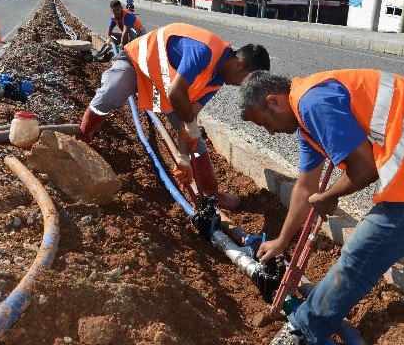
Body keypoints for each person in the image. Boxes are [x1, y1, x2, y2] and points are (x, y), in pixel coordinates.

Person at [238, 70, 404, 345]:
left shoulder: (313, 103)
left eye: (265, 122)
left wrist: (330, 197)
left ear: (274, 102)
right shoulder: (306, 115)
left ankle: (300, 331)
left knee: (361, 251)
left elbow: (364, 168)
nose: (270, 131)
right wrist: (282, 241)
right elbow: (305, 187)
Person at [78, 23, 270, 209]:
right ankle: (84, 135)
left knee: (195, 141)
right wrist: (189, 125)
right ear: (239, 64)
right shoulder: (205, 51)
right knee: (111, 93)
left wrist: (183, 157)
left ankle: (212, 194)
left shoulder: (217, 80)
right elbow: (176, 93)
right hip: (137, 62)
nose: (242, 87)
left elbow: (189, 115)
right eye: (246, 80)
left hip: (163, 84)